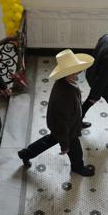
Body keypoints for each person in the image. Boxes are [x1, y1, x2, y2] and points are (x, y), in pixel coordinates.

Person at [18, 49, 95, 177]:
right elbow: (62, 123)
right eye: (78, 71)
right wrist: (64, 145)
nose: (81, 73)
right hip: (67, 129)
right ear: (69, 73)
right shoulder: (65, 95)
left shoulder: (65, 83)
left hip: (64, 126)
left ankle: (26, 153)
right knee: (75, 150)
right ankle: (78, 167)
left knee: (49, 140)